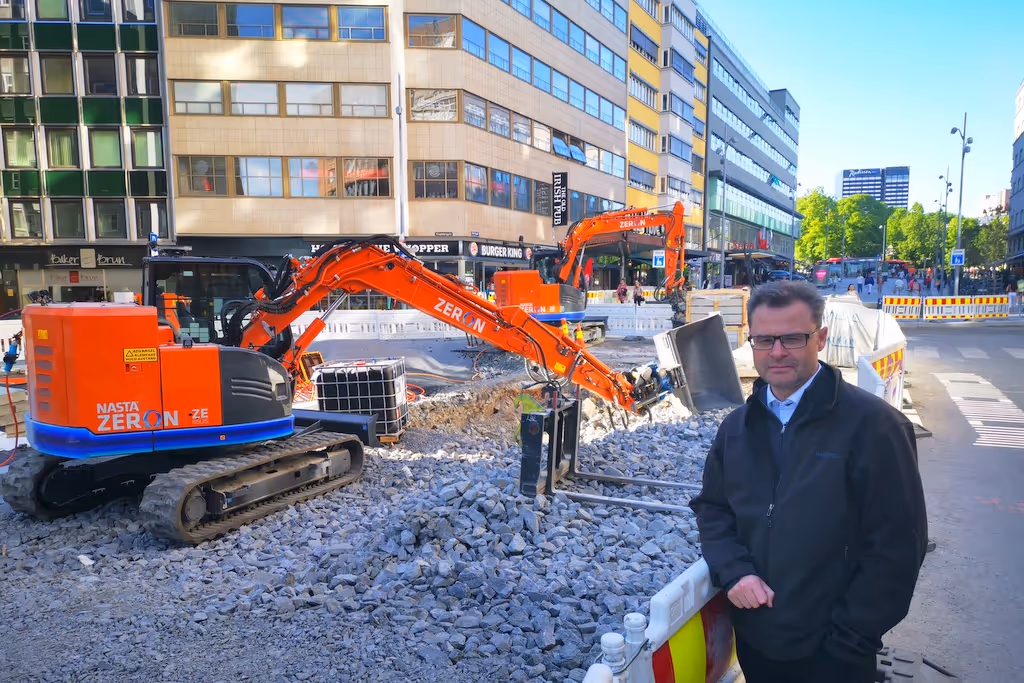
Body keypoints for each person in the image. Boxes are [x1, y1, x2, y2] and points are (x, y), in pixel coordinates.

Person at [690, 281, 928, 683]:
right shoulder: (736, 428)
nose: (777, 352)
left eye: (792, 338)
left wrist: (851, 638)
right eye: (764, 340)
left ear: (820, 339)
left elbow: (898, 546)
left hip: (835, 654)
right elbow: (713, 509)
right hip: (756, 641)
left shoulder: (875, 427)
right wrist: (734, 572)